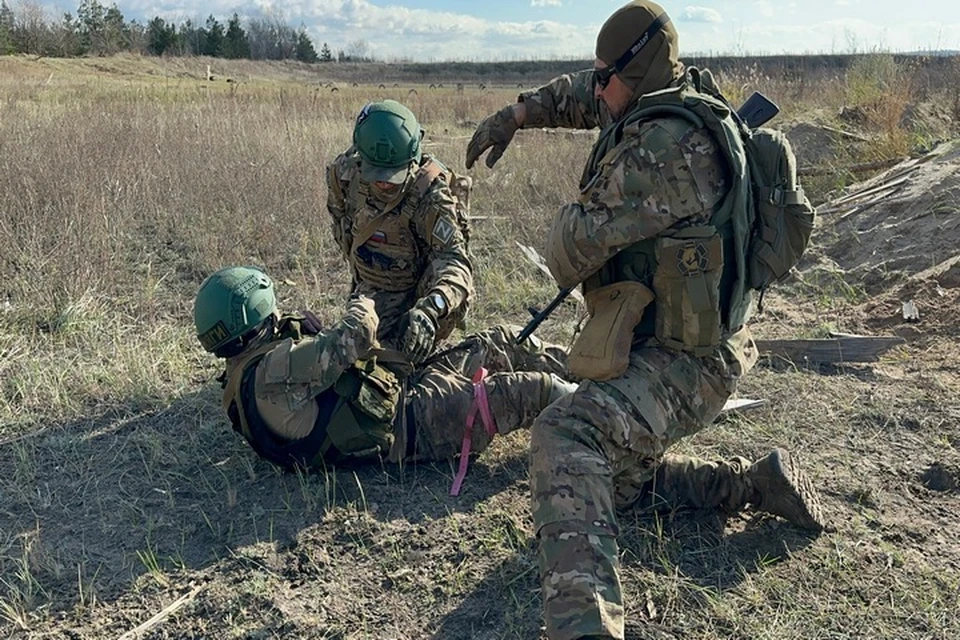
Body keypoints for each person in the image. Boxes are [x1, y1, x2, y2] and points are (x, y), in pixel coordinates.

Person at [466, 2, 824, 639]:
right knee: (620, 486)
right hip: (688, 335)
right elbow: (589, 94)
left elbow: (567, 252)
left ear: (641, 68)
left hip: (689, 361)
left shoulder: (664, 150)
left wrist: (577, 204)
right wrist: (517, 114)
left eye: (606, 77)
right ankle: (752, 486)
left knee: (568, 436)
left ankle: (585, 628)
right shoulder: (680, 91)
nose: (595, 89)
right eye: (597, 76)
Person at [193, 266, 572, 483]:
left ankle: (587, 369)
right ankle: (599, 409)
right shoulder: (274, 370)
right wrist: (363, 302)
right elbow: (355, 336)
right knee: (528, 391)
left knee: (499, 341)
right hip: (411, 424)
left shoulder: (244, 373)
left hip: (401, 391)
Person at [326, 99, 473, 364]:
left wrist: (432, 309)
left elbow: (455, 262)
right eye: (375, 173)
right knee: (352, 356)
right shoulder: (345, 174)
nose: (383, 182)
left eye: (392, 174)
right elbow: (340, 222)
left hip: (420, 294)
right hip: (372, 284)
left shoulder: (429, 194)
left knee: (401, 361)